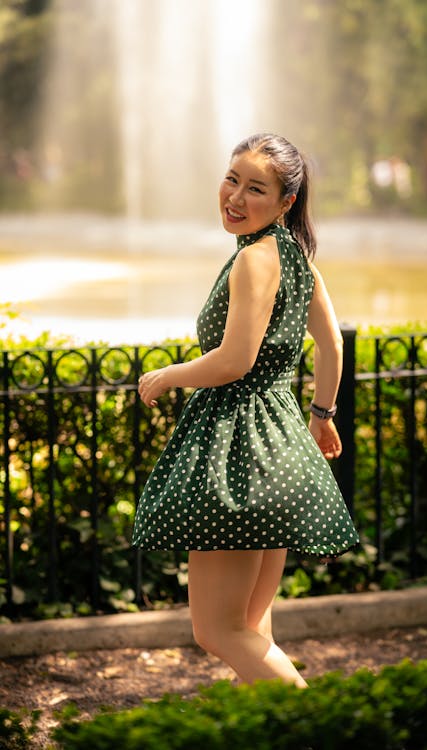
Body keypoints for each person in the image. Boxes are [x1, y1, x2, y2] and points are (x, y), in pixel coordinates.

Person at [133, 133, 359, 688]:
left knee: (218, 631)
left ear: (286, 202)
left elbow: (235, 361)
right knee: (252, 629)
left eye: (255, 188)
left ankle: (322, 729)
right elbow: (332, 347)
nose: (235, 197)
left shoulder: (255, 260)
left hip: (242, 454)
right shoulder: (296, 257)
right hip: (280, 448)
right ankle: (266, 734)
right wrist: (322, 415)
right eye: (231, 179)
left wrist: (168, 375)